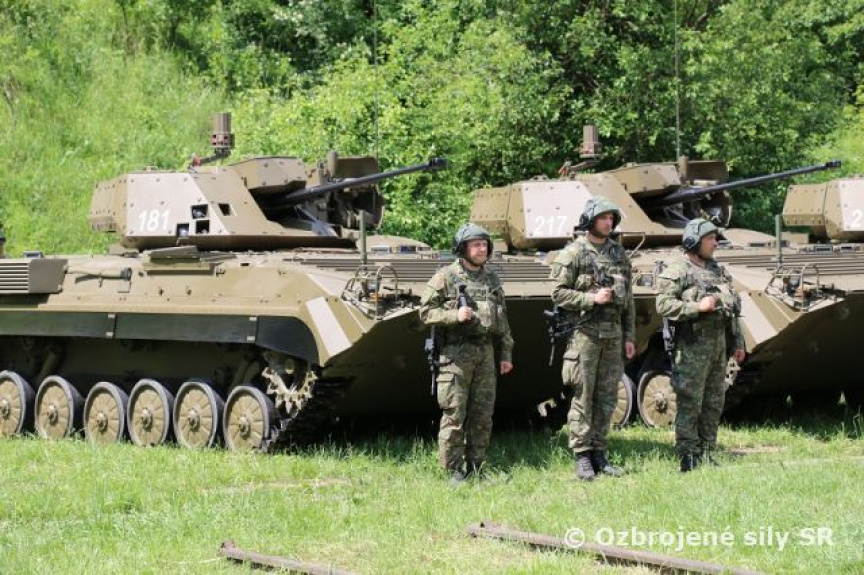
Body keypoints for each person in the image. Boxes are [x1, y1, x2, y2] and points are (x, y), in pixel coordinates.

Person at [419, 223, 514, 483]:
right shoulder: (446, 277)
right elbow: (425, 312)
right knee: (454, 415)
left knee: (483, 415)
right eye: (476, 245)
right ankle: (453, 471)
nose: (481, 249)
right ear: (463, 248)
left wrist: (506, 353)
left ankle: (476, 467)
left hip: (485, 354)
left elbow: (502, 319)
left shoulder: (491, 279)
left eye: (484, 245)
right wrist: (454, 315)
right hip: (456, 355)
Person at [550, 196, 635, 481]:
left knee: (607, 397)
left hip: (613, 335)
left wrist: (629, 336)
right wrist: (591, 298)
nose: (608, 223)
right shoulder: (573, 253)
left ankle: (600, 453)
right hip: (584, 335)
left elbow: (629, 301)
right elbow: (558, 293)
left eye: (611, 218)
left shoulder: (618, 254)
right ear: (590, 220)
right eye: (603, 218)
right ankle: (583, 456)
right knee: (583, 397)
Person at [655, 218, 746, 472]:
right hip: (691, 347)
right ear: (693, 241)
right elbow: (663, 305)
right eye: (709, 239)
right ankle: (688, 455)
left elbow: (733, 310)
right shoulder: (678, 270)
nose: (715, 243)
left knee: (713, 402)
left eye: (715, 238)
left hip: (718, 347)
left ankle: (706, 451)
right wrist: (698, 307)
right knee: (690, 403)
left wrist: (738, 341)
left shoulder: (718, 271)